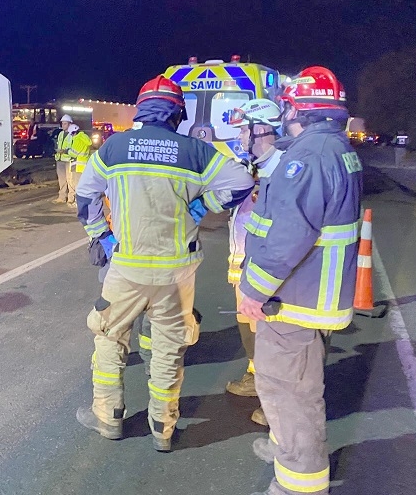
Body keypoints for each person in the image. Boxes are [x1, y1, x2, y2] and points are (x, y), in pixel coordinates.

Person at [75, 75, 254, 452]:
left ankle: (109, 418)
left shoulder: (114, 148)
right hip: (177, 272)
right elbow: (240, 182)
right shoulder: (194, 152)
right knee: (169, 347)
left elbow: (86, 194)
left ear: (141, 111)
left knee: (110, 338)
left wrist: (103, 237)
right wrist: (205, 206)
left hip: (125, 267)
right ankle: (163, 427)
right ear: (178, 114)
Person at [238, 67, 362, 495]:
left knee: (288, 390)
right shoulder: (332, 148)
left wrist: (252, 289)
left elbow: (288, 234)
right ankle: (284, 447)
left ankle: (299, 483)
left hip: (295, 298)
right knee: (293, 384)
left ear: (296, 108)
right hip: (314, 294)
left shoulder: (308, 157)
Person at [223, 98, 284, 427]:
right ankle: (256, 377)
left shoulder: (282, 168)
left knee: (271, 329)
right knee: (248, 323)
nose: (239, 137)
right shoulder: (249, 164)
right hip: (243, 257)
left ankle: (276, 398)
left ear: (260, 130)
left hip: (266, 264)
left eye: (243, 131)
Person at [66, 123, 92, 208]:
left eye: (72, 134)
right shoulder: (84, 138)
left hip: (77, 166)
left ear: (74, 132)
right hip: (83, 166)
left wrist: (67, 151)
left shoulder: (78, 139)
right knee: (82, 185)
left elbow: (74, 153)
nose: (71, 135)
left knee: (77, 186)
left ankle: (78, 203)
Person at [52, 114, 75, 204]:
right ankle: (62, 197)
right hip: (60, 159)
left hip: (68, 159)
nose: (63, 125)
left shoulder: (72, 134)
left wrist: (65, 151)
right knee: (61, 180)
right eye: (62, 123)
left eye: (65, 123)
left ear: (70, 124)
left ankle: (71, 197)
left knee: (70, 179)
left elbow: (73, 147)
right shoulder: (61, 134)